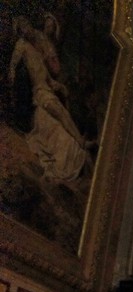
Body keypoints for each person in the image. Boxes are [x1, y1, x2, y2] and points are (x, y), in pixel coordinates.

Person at [8, 15, 89, 183]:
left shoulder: (36, 50)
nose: (27, 28)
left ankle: (78, 140)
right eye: (23, 27)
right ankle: (80, 140)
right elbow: (13, 65)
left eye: (27, 24)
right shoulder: (22, 45)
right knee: (61, 113)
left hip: (47, 89)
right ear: (20, 32)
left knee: (63, 114)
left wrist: (60, 86)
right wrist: (12, 79)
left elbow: (48, 78)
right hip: (39, 93)